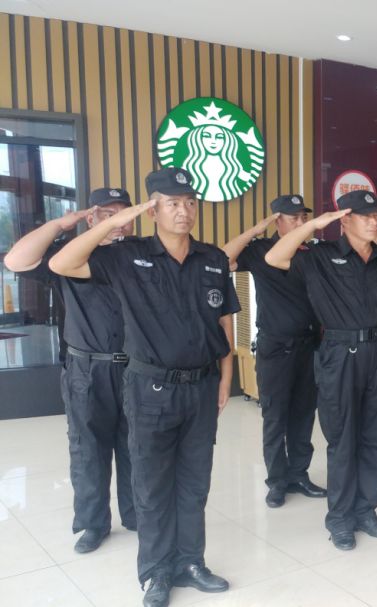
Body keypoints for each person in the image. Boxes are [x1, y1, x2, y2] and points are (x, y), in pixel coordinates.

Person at [49, 168, 237, 607]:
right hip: (150, 389)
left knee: (194, 483)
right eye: (172, 203)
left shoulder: (211, 259)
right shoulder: (126, 256)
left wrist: (227, 377)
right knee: (152, 486)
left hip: (201, 387)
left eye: (189, 202)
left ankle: (191, 562)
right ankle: (156, 572)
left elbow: (223, 319)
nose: (183, 210)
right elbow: (62, 264)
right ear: (153, 210)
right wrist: (114, 222)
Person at [264, 190, 377, 551]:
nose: (374, 221)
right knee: (343, 440)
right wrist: (313, 224)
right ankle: (340, 519)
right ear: (345, 220)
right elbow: (274, 257)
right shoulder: (321, 257)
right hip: (340, 353)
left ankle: (366, 511)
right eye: (365, 216)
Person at [4, 188, 137, 553]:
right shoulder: (69, 256)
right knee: (87, 449)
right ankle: (93, 524)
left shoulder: (141, 254)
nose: (116, 221)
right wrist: (61, 224)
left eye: (122, 214)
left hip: (137, 369)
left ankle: (137, 514)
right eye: (106, 213)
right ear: (91, 217)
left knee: (138, 446)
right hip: (86, 371)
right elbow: (15, 260)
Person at [222, 194, 326, 508]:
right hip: (275, 347)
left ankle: (299, 474)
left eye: (303, 217)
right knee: (275, 416)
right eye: (293, 218)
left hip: (309, 345)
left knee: (303, 414)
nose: (301, 223)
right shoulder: (259, 250)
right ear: (277, 221)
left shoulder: (312, 252)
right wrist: (254, 231)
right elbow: (222, 259)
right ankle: (277, 481)